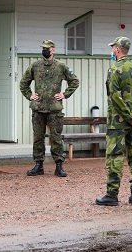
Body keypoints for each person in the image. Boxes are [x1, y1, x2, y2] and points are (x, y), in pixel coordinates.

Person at [96, 36, 132, 206]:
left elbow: (115, 97)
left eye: (113, 48)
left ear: (118, 50)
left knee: (115, 156)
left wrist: (128, 117)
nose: (112, 51)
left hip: (118, 123)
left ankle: (112, 194)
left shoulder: (114, 70)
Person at [20, 40, 80, 177]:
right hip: (38, 108)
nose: (44, 50)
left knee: (56, 138)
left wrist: (64, 94)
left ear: (53, 50)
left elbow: (74, 81)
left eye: (47, 48)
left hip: (54, 109)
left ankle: (59, 165)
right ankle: (38, 165)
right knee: (38, 138)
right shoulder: (35, 66)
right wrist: (30, 96)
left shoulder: (61, 66)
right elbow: (24, 83)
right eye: (43, 48)